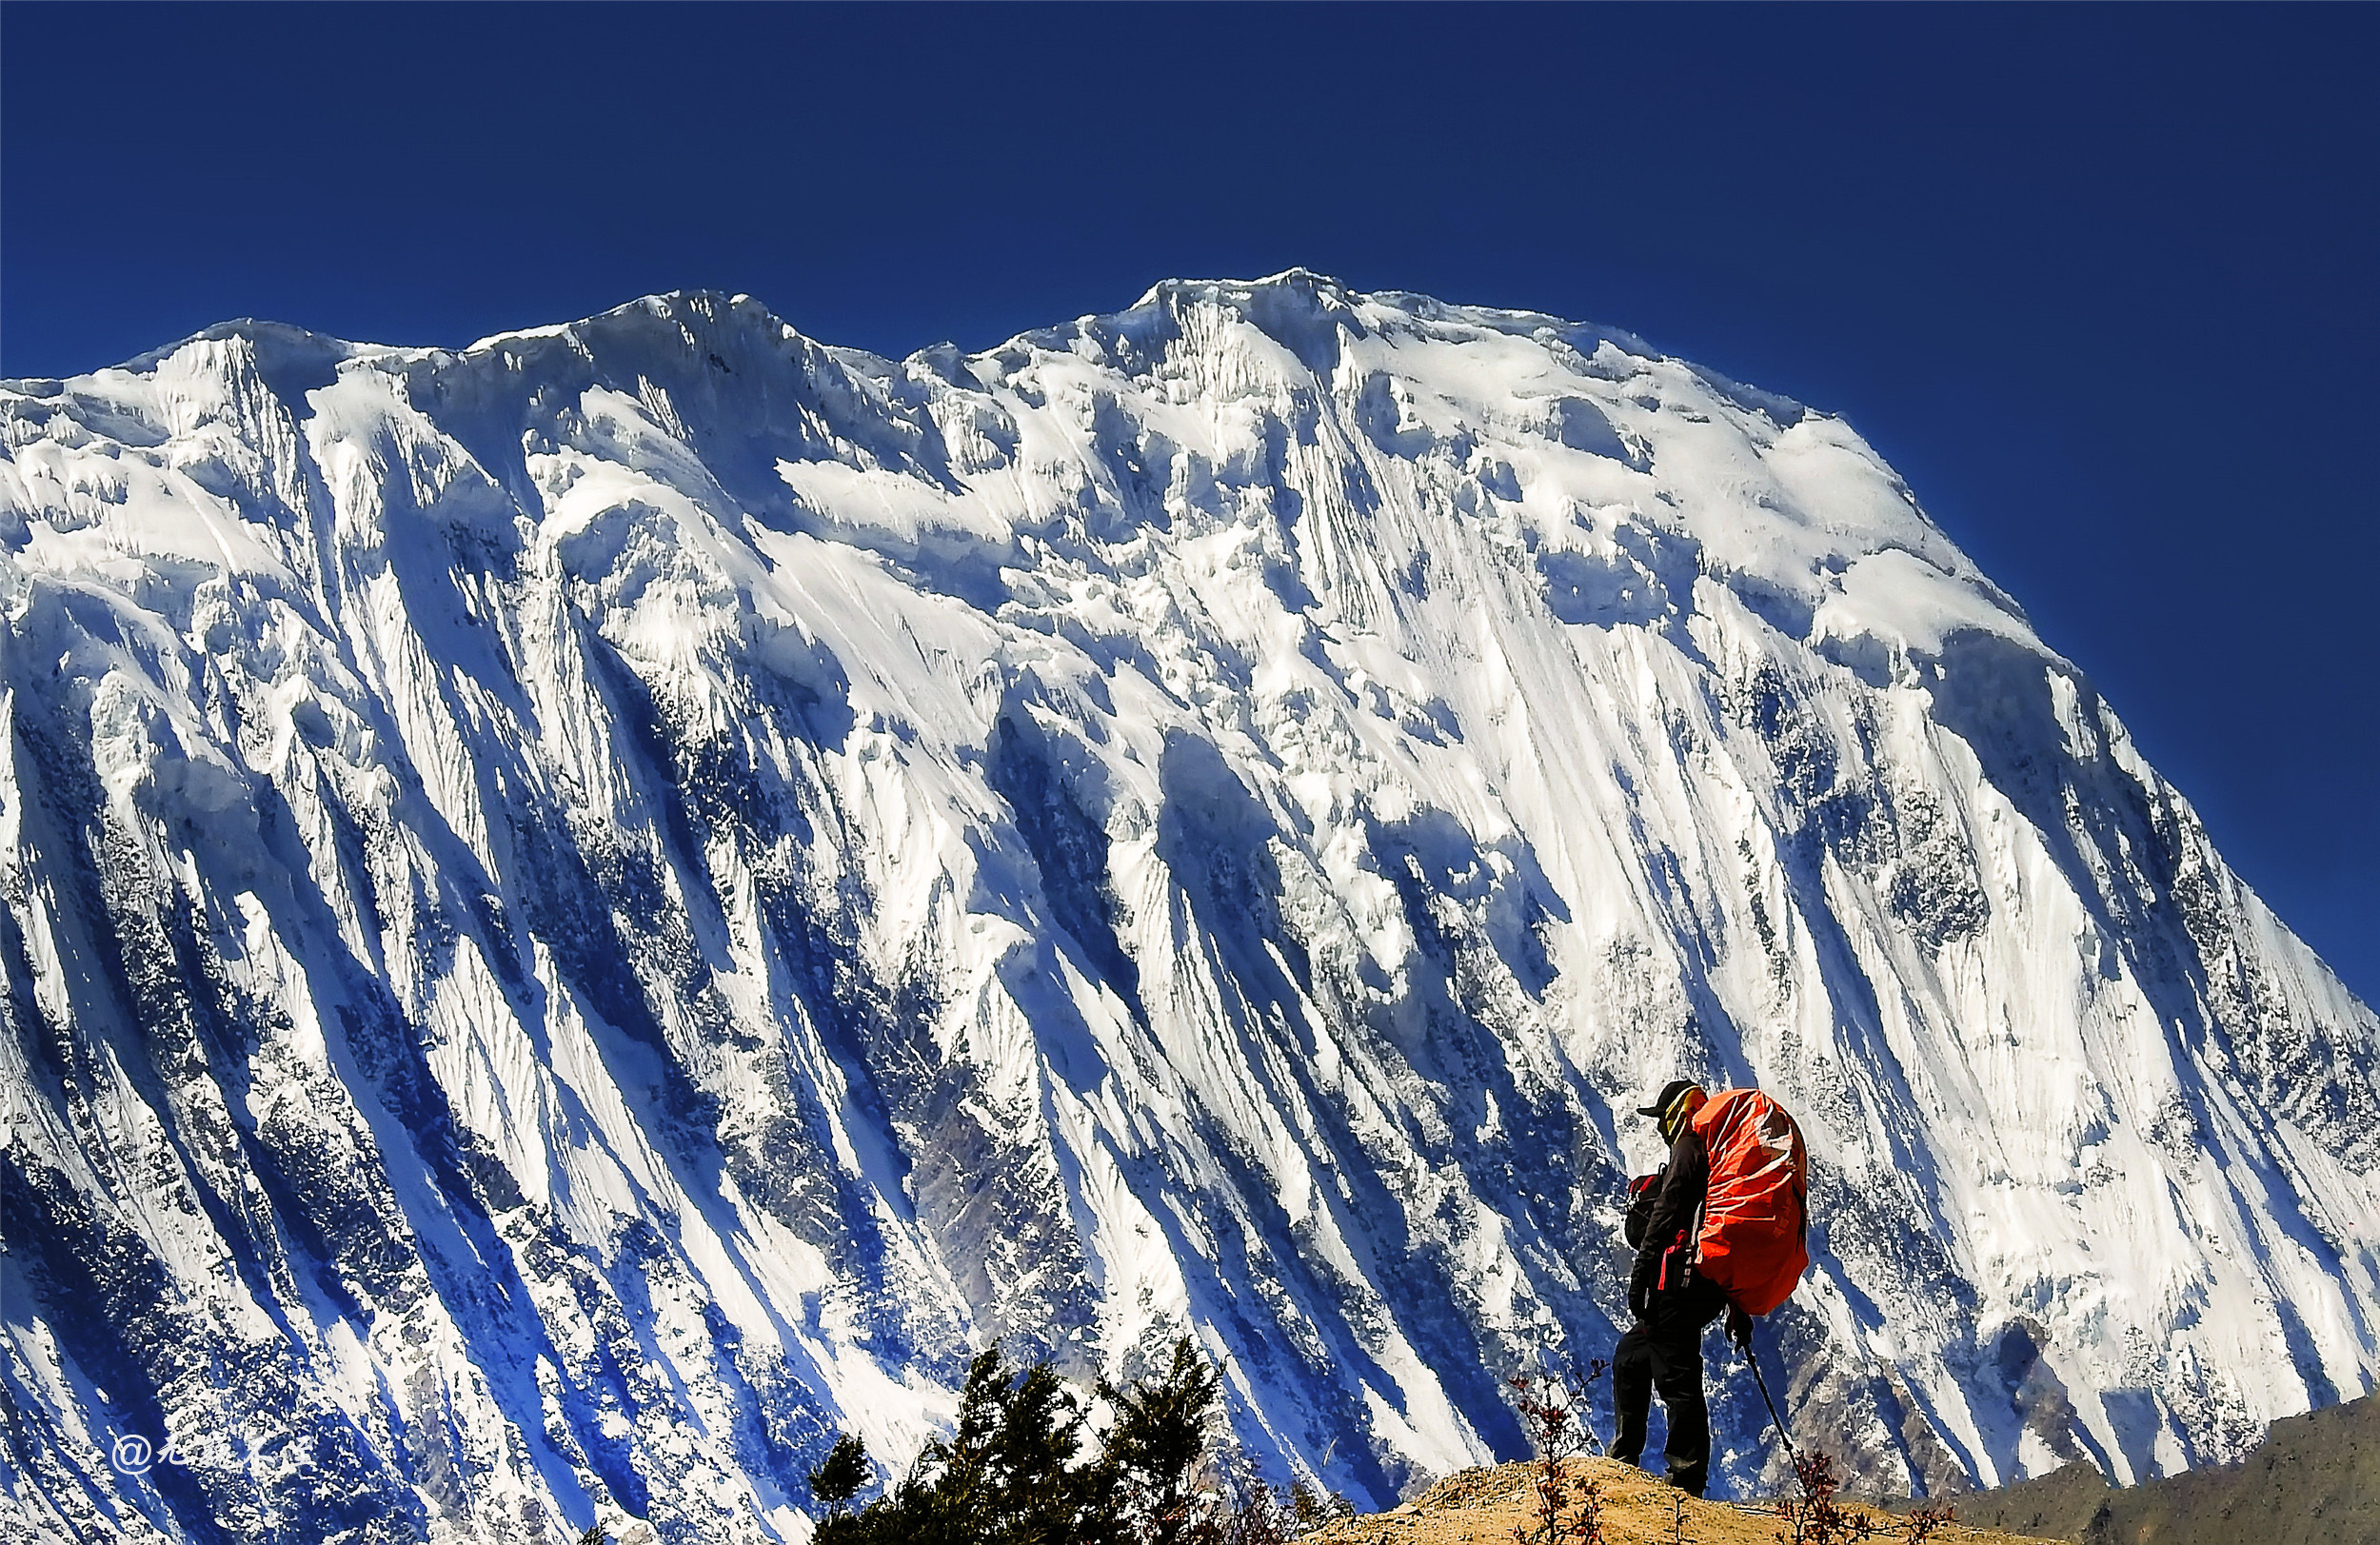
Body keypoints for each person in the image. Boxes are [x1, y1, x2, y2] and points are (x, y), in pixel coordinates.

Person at [1611, 1079, 1753, 1496]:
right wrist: (1738, 1307)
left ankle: (1686, 1477)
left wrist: (1641, 1273)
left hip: (1679, 1283)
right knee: (1632, 1356)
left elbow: (1667, 1213)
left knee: (1678, 1377)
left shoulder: (1690, 1149)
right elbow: (1725, 1235)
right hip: (1705, 1287)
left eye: (1661, 1120)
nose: (1659, 1130)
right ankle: (1624, 1459)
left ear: (1674, 1116)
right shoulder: (1718, 1156)